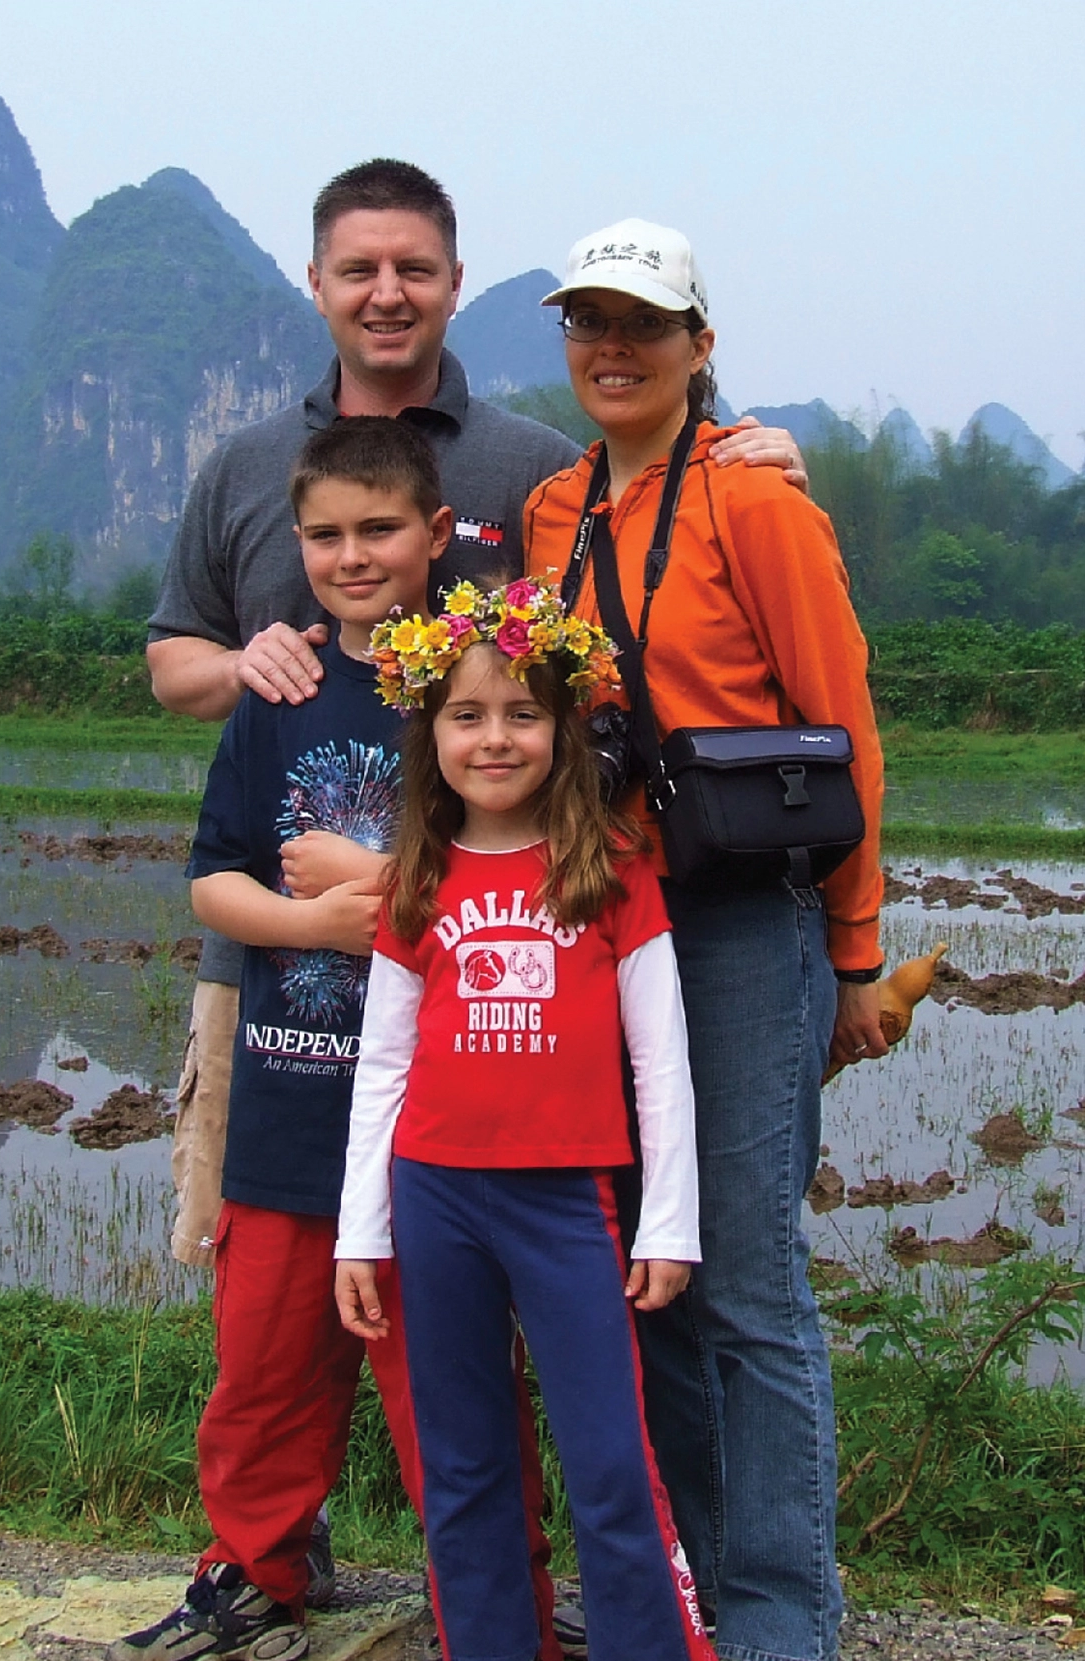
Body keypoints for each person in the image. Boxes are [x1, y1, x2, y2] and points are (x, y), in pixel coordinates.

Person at [146, 159, 805, 1277]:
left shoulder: (536, 470)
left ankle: (453, 1454)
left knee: (465, 1264)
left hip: (484, 959)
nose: (386, 292)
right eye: (359, 269)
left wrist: (752, 450)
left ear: (459, 283)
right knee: (266, 1265)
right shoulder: (246, 466)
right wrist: (239, 666)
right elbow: (172, 658)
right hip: (281, 949)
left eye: (414, 268)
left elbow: (656, 512)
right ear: (315, 283)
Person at [111, 420, 551, 1661]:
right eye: (326, 535)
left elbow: (525, 881)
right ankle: (256, 1566)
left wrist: (386, 905)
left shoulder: (476, 695)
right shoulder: (279, 691)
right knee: (260, 1364)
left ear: (437, 538)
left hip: (433, 1121)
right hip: (292, 1101)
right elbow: (213, 883)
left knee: (453, 1378)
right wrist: (312, 917)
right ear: (296, 545)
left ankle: (495, 1589)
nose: (353, 555)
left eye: (379, 530)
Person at [524, 219, 886, 1661]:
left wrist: (853, 955)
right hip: (613, 931)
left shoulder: (754, 497)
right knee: (652, 1267)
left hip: (742, 923)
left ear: (700, 345)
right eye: (587, 323)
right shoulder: (551, 511)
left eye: (644, 324)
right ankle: (697, 1600)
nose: (613, 349)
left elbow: (846, 729)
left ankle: (785, 1619)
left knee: (743, 1274)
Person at [333, 577, 714, 1661]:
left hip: (566, 1201)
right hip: (434, 1194)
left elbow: (662, 1059)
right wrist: (363, 1228)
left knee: (609, 1462)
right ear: (429, 729)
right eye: (466, 713)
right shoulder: (417, 874)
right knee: (461, 1465)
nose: (494, 738)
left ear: (563, 724)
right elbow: (384, 1063)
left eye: (521, 713)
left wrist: (668, 1221)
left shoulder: (616, 870)